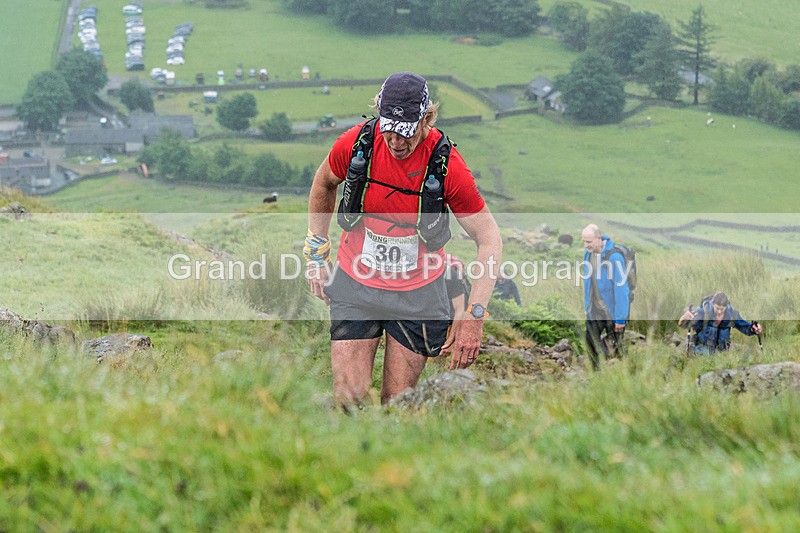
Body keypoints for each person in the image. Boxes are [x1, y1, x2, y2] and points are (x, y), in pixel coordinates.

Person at [305, 71, 502, 407]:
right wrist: (316, 255)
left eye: (406, 133)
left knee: (396, 403)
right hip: (357, 284)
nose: (396, 142)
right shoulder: (357, 144)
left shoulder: (446, 165)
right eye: (389, 130)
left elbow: (489, 239)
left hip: (418, 296)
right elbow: (323, 184)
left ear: (427, 119)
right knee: (348, 398)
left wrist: (474, 315)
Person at [581, 224, 630, 370]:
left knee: (615, 348)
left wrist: (620, 318)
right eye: (583, 241)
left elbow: (621, 289)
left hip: (612, 312)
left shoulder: (614, 257)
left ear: (599, 239)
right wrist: (587, 306)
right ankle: (596, 378)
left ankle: (622, 375)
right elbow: (587, 282)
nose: (585, 245)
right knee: (590, 344)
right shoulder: (588, 254)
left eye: (588, 242)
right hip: (594, 310)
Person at [678, 292, 763, 354]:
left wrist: (754, 328)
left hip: (723, 352)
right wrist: (683, 318)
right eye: (717, 308)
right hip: (702, 350)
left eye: (722, 309)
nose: (719, 312)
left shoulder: (731, 315)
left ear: (726, 307)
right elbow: (683, 324)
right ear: (713, 304)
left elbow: (745, 328)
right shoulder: (703, 313)